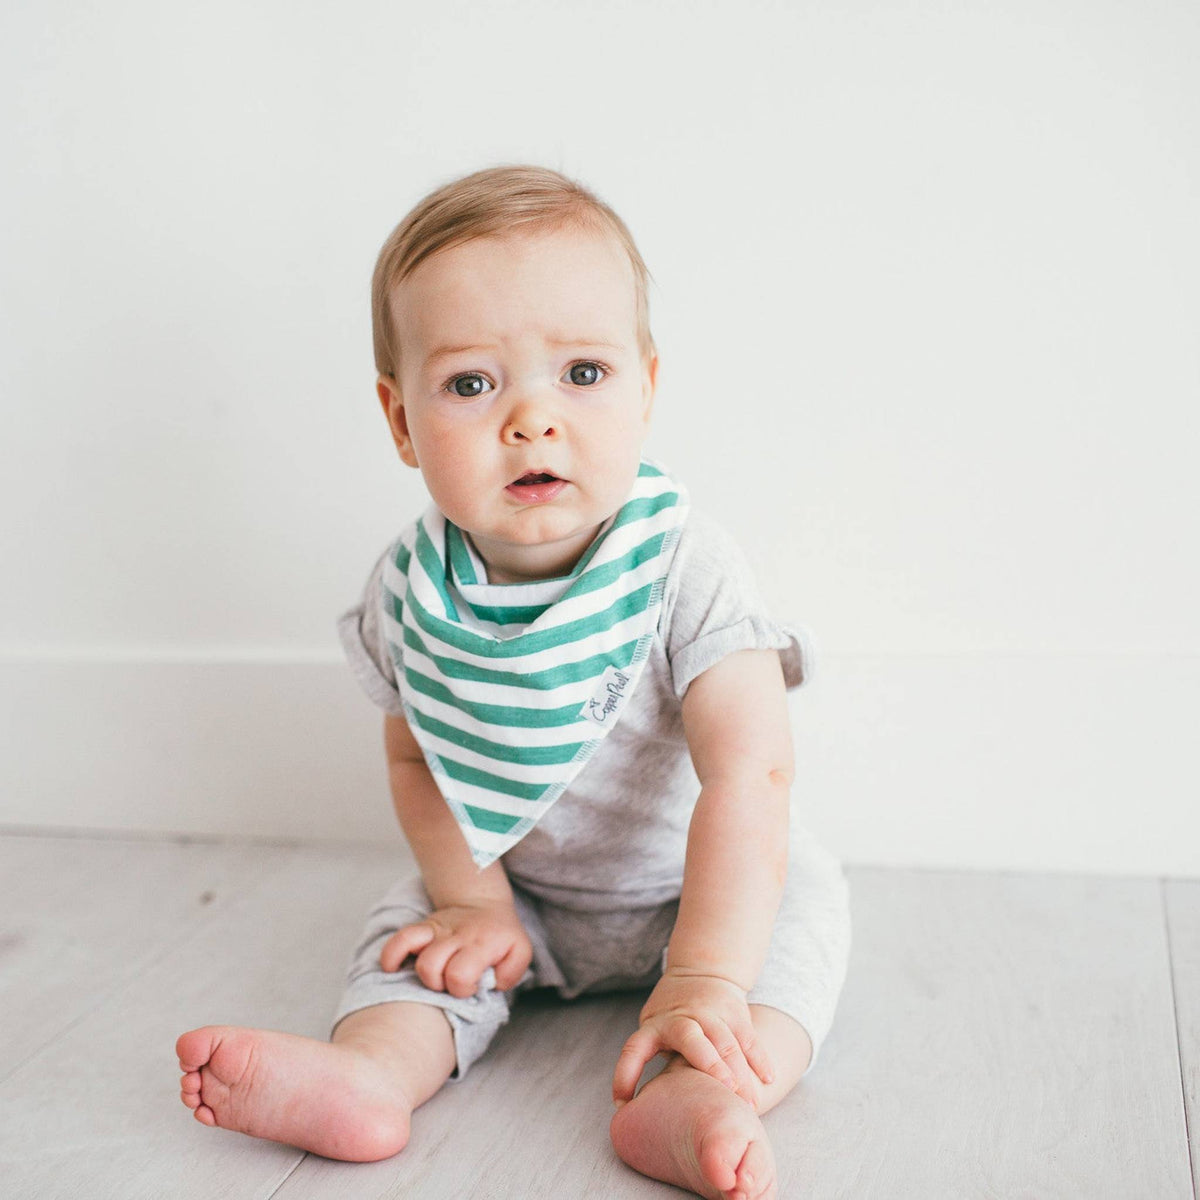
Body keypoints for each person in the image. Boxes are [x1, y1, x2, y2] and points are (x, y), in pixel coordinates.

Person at [176, 164, 851, 1200]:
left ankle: (697, 1089)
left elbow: (752, 775)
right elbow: (417, 753)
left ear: (647, 389)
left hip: (696, 892)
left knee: (800, 926)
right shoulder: (410, 592)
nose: (532, 419)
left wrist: (708, 972)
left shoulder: (685, 566)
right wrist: (474, 902)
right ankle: (377, 1070)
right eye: (471, 383)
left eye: (582, 373)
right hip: (519, 891)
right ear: (401, 422)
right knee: (409, 938)